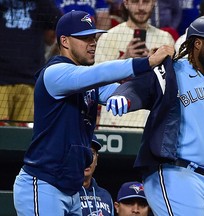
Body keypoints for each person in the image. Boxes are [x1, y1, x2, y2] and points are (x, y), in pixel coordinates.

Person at [13, 10, 174, 216]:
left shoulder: (88, 82)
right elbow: (98, 73)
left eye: (93, 37)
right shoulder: (54, 73)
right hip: (44, 183)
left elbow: (123, 93)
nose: (92, 43)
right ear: (64, 41)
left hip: (73, 189)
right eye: (84, 38)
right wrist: (147, 62)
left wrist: (162, 90)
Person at [106, 15, 204, 215]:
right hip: (176, 173)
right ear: (197, 43)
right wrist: (125, 96)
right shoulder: (174, 71)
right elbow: (142, 86)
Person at [95, 0, 175, 130]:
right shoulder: (108, 38)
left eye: (146, 2)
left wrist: (152, 66)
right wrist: (125, 60)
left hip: (150, 123)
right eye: (135, 1)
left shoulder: (165, 39)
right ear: (126, 3)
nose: (141, 7)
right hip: (115, 122)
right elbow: (98, 83)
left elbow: (170, 85)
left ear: (154, 3)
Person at [0, 0, 61, 126]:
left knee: (22, 137)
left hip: (29, 80)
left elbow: (59, 22)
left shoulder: (41, 3)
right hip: (1, 79)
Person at [80, 134, 114, 216]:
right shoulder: (65, 193)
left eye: (91, 153)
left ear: (97, 159)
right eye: (82, 153)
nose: (87, 160)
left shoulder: (105, 196)